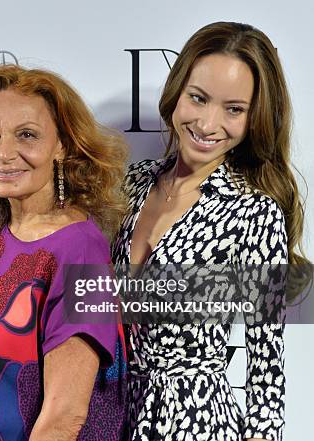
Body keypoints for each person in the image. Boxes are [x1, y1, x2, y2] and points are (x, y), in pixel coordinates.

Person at [112, 22, 308, 440]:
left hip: (196, 423)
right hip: (115, 413)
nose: (207, 123)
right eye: (198, 98)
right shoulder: (133, 183)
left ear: (253, 117)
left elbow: (266, 362)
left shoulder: (255, 213)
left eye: (233, 109)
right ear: (177, 92)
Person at [0, 64, 128, 441]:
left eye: (26, 135)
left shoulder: (82, 250)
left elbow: (64, 419)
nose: (4, 153)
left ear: (62, 144)